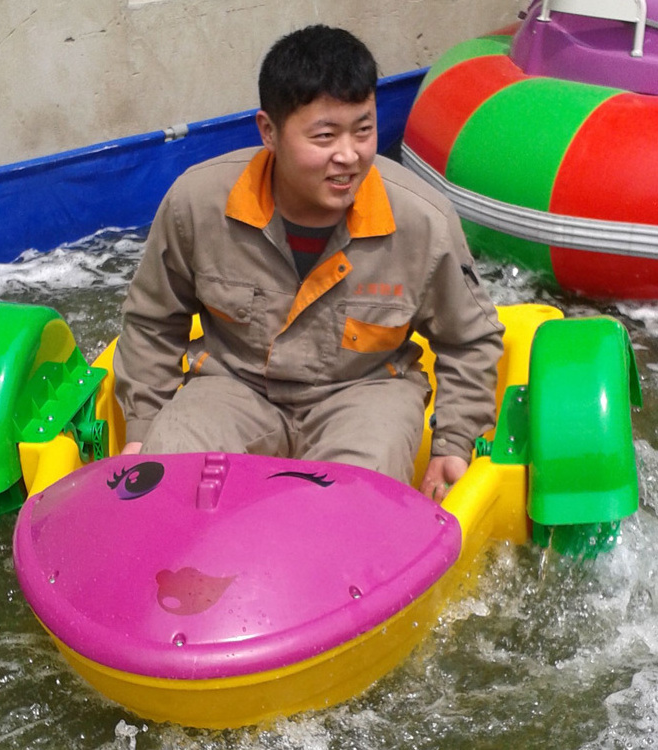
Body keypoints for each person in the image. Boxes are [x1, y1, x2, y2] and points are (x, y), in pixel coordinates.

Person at [113, 24, 504, 502]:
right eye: (324, 136)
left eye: (364, 129)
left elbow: (471, 339)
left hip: (365, 392)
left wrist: (454, 438)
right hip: (234, 386)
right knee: (166, 482)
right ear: (268, 131)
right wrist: (144, 425)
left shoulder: (424, 221)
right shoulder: (196, 204)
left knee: (354, 504)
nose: (349, 155)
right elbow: (152, 320)